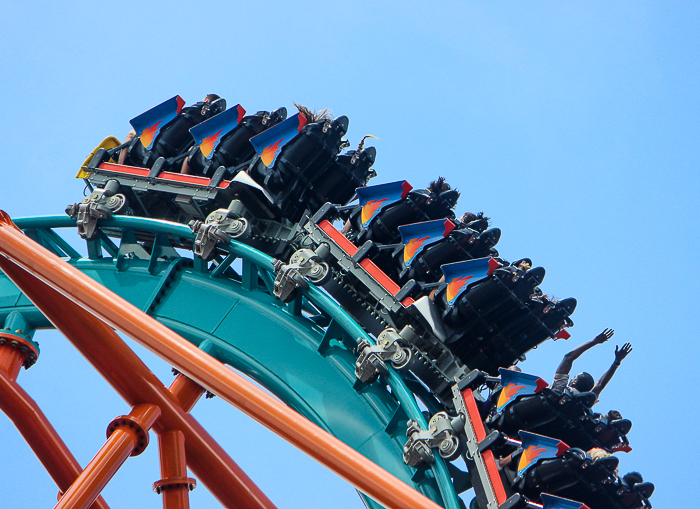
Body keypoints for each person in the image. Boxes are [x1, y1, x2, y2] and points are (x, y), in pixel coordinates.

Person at [552, 329, 631, 399]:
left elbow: (568, 358)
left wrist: (594, 341)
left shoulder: (561, 387)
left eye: (574, 378)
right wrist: (616, 362)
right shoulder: (584, 402)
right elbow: (600, 385)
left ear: (574, 382)